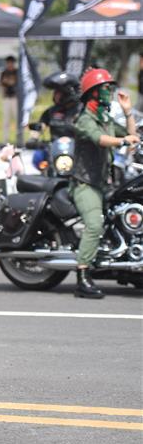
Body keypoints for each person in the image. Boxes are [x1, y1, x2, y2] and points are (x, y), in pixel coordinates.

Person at [70, 67, 139, 299]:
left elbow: (131, 137)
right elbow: (100, 139)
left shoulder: (104, 118)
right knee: (94, 225)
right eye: (106, 88)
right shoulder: (85, 120)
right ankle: (82, 277)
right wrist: (122, 141)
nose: (109, 92)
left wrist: (128, 112)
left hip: (103, 183)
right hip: (85, 184)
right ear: (94, 92)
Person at [0, 55, 18, 144]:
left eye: (11, 63)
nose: (10, 64)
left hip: (15, 98)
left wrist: (9, 81)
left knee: (17, 119)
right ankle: (5, 140)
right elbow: (2, 83)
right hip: (7, 97)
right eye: (8, 63)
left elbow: (15, 82)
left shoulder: (17, 72)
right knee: (6, 120)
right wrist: (8, 82)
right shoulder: (4, 72)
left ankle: (19, 139)